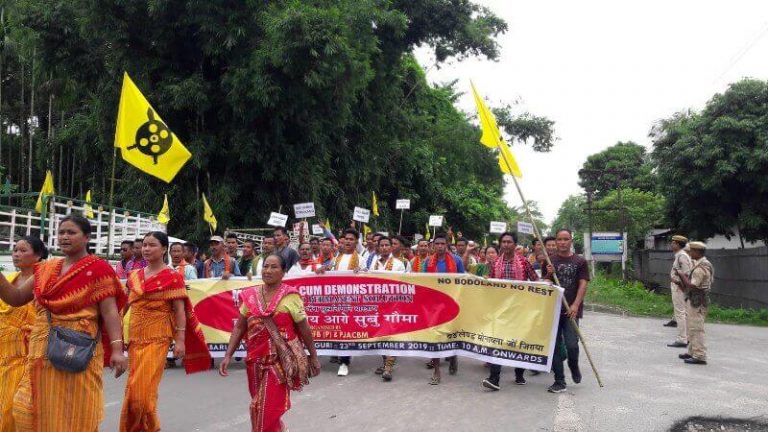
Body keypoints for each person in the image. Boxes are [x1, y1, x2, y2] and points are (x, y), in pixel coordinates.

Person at [0, 215, 127, 431]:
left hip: (77, 349)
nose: (64, 237)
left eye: (71, 232)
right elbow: (17, 297)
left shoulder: (98, 269)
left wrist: (117, 349)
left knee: (75, 412)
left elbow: (110, 312)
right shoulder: (46, 269)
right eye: (61, 232)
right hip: (41, 351)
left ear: (86, 237)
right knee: (24, 410)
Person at [120, 232, 211, 431]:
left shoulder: (172, 277)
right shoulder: (134, 276)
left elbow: (179, 310)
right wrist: (116, 339)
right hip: (135, 337)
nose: (146, 249)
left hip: (158, 338)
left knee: (140, 396)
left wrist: (180, 340)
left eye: (151, 245)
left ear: (163, 250)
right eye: (144, 245)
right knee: (140, 391)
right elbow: (124, 306)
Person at [219, 254, 321, 432]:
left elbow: (304, 329)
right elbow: (239, 328)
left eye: (274, 267)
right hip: (255, 361)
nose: (268, 270)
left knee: (264, 409)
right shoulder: (250, 296)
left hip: (281, 362)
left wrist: (313, 356)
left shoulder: (291, 296)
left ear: (283, 272)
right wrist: (228, 355)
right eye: (266, 266)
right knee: (258, 406)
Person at [0, 237, 46, 432]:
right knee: (4, 407)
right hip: (5, 353)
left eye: (22, 250)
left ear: (38, 255)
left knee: (19, 408)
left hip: (30, 355)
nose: (16, 254)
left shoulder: (45, 280)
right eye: (15, 250)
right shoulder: (9, 281)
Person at [482, 232, 539, 391]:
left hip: (519, 308)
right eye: (504, 242)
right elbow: (491, 285)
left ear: (515, 244)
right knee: (497, 341)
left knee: (518, 342)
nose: (506, 244)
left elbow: (536, 282)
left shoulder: (524, 262)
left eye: (509, 242)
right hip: (500, 309)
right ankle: (494, 378)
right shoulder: (495, 264)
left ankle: (519, 373)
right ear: (501, 244)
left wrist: (548, 279)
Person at [544, 228, 589, 393]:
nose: (562, 242)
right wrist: (548, 276)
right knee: (554, 345)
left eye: (565, 239)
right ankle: (559, 381)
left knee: (571, 345)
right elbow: (545, 284)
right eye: (559, 239)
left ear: (571, 241)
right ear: (556, 241)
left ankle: (573, 364)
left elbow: (583, 283)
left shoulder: (580, 261)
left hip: (571, 309)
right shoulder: (550, 261)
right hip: (554, 309)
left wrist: (576, 305)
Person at [418, 234, 465, 385]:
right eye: (437, 244)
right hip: (434, 304)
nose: (439, 246)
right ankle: (437, 371)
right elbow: (424, 282)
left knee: (450, 334)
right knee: (435, 337)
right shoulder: (427, 262)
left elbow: (462, 282)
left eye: (442, 244)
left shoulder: (457, 261)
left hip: (452, 303)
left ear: (446, 245)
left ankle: (453, 357)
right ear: (433, 246)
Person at [330, 228, 365, 376]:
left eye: (352, 239)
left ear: (356, 242)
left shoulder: (362, 260)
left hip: (353, 301)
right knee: (338, 329)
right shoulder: (336, 259)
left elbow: (368, 279)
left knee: (348, 330)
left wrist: (361, 273)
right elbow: (329, 275)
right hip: (336, 300)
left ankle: (345, 361)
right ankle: (341, 356)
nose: (349, 242)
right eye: (347, 239)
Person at [676, 241, 714, 365]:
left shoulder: (701, 268)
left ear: (697, 252)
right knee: (691, 327)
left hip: (698, 301)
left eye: (691, 251)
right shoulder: (702, 264)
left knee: (697, 328)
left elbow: (693, 285)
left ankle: (699, 355)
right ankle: (692, 352)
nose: (690, 253)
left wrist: (682, 276)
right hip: (695, 299)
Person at [666, 235, 693, 347]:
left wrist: (679, 283)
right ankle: (687, 338)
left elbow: (687, 273)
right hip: (679, 286)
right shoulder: (680, 255)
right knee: (683, 313)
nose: (671, 244)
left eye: (673, 243)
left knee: (680, 313)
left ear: (677, 244)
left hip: (679, 287)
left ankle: (682, 339)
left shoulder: (682, 256)